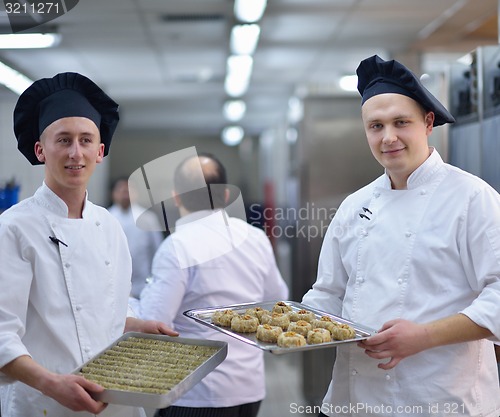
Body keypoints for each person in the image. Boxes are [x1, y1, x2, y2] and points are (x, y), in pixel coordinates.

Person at [302, 55, 500, 416]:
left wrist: (423, 336)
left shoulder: (472, 198)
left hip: (438, 399)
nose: (388, 137)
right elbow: (329, 294)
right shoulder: (354, 205)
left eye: (400, 123)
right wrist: (283, 321)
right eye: (375, 126)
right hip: (354, 399)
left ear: (427, 123)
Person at [0, 72, 177, 417]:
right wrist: (52, 383)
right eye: (63, 140)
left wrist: (134, 323)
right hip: (43, 404)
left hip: (116, 398)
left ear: (100, 151)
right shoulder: (14, 228)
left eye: (85, 140)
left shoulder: (109, 226)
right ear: (40, 149)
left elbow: (97, 304)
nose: (75, 153)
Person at [136, 153, 289, 417]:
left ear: (176, 197)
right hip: (249, 389)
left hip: (197, 394)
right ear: (227, 196)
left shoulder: (177, 246)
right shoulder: (254, 237)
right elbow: (278, 301)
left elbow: (154, 323)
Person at [108, 177, 163, 299]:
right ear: (113, 194)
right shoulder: (106, 217)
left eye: (129, 190)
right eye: (121, 190)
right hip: (113, 285)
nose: (125, 194)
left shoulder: (148, 218)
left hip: (144, 284)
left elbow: (157, 250)